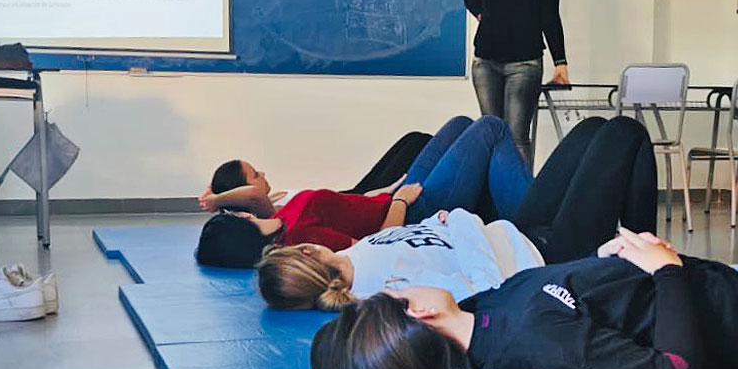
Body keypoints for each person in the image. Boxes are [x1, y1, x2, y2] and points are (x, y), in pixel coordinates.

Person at [310, 228, 738, 369]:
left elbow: (570, 298)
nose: (405, 284)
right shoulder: (536, 349)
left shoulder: (483, 310)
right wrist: (666, 271)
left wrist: (606, 266)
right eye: (397, 290)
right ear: (418, 314)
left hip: (730, 282)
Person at [258, 115, 657, 309]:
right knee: (624, 131)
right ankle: (647, 269)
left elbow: (421, 237)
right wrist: (463, 222)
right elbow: (485, 291)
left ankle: (641, 261)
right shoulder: (386, 288)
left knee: (589, 128)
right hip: (546, 257)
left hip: (517, 230)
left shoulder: (355, 256)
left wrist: (437, 222)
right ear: (307, 254)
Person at [195, 114, 534, 267]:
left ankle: (510, 214)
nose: (239, 210)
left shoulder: (282, 216)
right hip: (413, 212)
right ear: (241, 222)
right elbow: (378, 247)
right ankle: (531, 223)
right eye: (236, 215)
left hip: (392, 198)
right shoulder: (300, 237)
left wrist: (386, 191)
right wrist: (400, 201)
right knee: (490, 128)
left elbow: (346, 206)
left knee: (460, 123)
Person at [464, 0, 568, 161]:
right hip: (485, 63)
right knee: (490, 131)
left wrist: (560, 63)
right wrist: (480, 14)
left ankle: (520, 198)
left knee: (516, 134)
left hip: (524, 64)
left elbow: (550, 18)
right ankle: (492, 196)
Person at [199, 131, 433, 219]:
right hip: (359, 201)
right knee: (421, 143)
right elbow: (251, 195)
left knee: (414, 138)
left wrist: (214, 191)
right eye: (255, 174)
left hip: (346, 195)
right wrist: (215, 200)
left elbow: (246, 192)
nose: (262, 173)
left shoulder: (271, 199)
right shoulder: (264, 214)